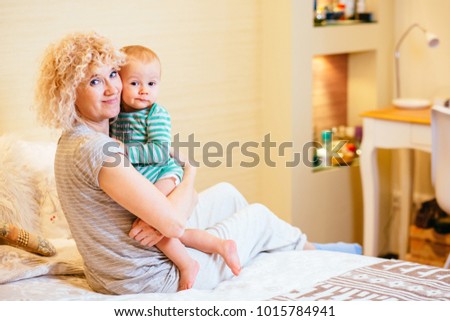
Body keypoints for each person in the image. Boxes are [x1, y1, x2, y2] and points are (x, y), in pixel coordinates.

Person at [35, 31, 361, 295]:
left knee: (228, 194)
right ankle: (323, 255)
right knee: (259, 217)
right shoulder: (100, 150)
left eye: (112, 75)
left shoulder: (73, 139)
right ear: (68, 93)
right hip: (147, 278)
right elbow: (174, 226)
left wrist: (169, 203)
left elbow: (159, 213)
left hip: (122, 267)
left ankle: (307, 246)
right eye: (94, 82)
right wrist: (189, 172)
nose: (111, 89)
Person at [110, 45, 240, 290]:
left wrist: (126, 151)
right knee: (169, 233)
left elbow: (160, 150)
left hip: (162, 173)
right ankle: (221, 245)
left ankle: (186, 264)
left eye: (151, 84)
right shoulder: (115, 116)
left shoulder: (155, 114)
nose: (143, 91)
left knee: (152, 220)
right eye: (135, 83)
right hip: (144, 178)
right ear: (120, 84)